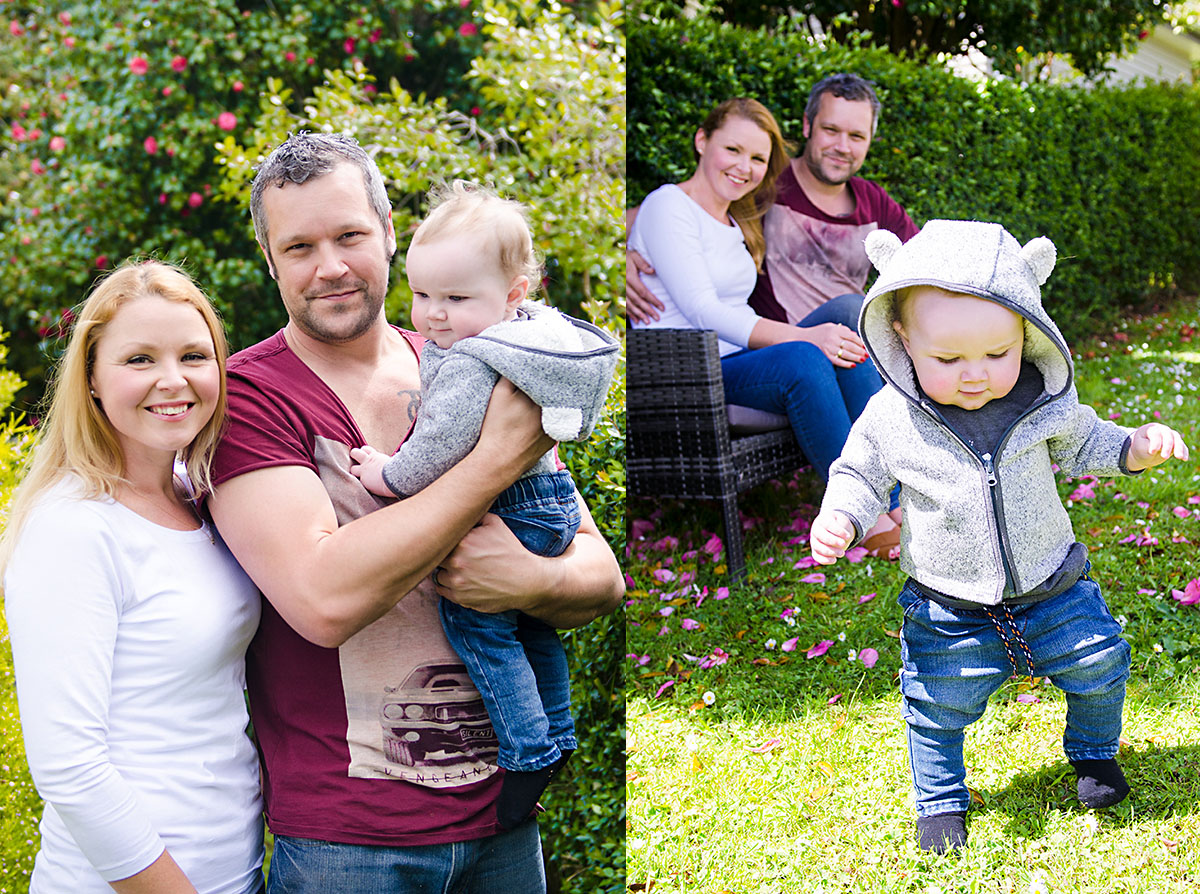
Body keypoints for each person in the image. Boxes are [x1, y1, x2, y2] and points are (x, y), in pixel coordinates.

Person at [205, 132, 624, 892]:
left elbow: (601, 576)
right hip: (350, 843)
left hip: (503, 823)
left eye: (349, 236)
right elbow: (325, 601)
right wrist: (491, 463)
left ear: (390, 236)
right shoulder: (248, 400)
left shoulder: (478, 357)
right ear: (271, 264)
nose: (328, 265)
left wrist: (528, 580)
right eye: (299, 246)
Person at [809, 219, 1190, 853]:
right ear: (901, 339)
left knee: (1100, 663)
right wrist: (841, 516)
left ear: (1026, 333)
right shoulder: (890, 416)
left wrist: (1133, 447)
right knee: (936, 702)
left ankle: (1094, 754)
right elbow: (859, 472)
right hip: (946, 602)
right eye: (949, 359)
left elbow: (1086, 441)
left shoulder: (1044, 401)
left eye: (997, 353)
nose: (976, 374)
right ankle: (940, 800)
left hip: (1052, 584)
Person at [349, 180, 619, 829]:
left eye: (456, 298)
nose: (435, 314)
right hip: (550, 500)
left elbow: (442, 441)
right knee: (533, 627)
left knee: (478, 624)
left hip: (516, 504)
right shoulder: (533, 335)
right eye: (422, 295)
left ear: (513, 293)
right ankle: (557, 730)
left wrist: (391, 474)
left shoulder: (475, 357)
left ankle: (527, 751)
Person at [1, 260, 264, 893]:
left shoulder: (197, 496)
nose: (172, 381)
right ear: (91, 379)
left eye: (193, 356)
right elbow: (71, 771)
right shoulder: (73, 526)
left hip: (233, 869)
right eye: (139, 360)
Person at [626, 95, 901, 550]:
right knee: (802, 358)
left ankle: (895, 492)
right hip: (686, 375)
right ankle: (863, 515)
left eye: (757, 158)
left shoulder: (735, 218)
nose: (744, 166)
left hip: (733, 362)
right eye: (732, 150)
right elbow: (703, 310)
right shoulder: (668, 206)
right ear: (701, 141)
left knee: (848, 312)